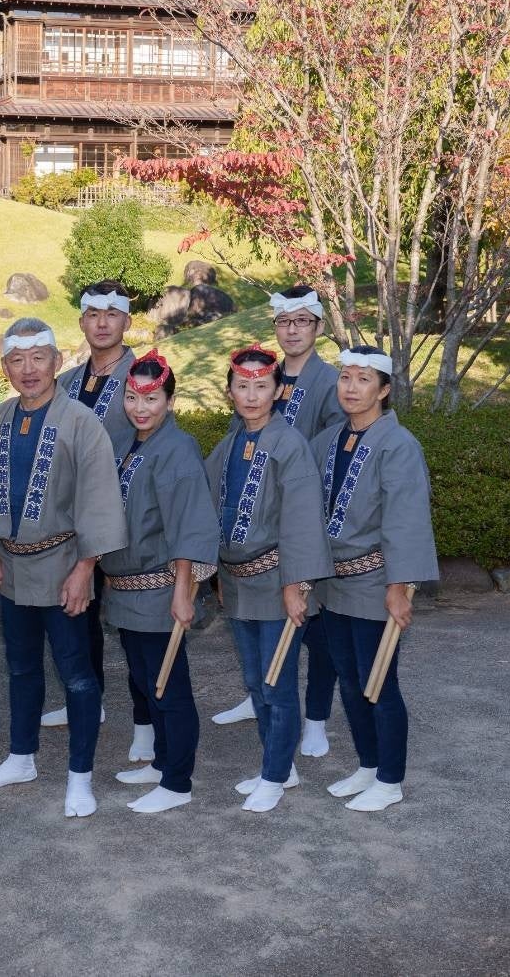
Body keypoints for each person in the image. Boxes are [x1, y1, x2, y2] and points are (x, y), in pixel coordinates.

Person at [0, 319, 127, 819]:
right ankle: (21, 758)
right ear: (5, 368)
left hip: (64, 565)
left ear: (57, 361)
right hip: (11, 567)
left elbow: (99, 498)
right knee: (20, 668)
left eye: (39, 358)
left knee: (77, 675)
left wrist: (85, 568)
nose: (29, 369)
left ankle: (80, 777)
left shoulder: (81, 421)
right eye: (17, 360)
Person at [211, 285, 347, 758]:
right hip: (258, 522)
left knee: (317, 636)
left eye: (302, 321)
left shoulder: (328, 381)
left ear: (319, 327)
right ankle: (261, 699)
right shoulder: (261, 373)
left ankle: (315, 719)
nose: (292, 330)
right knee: (270, 650)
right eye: (285, 322)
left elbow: (334, 451)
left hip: (307, 522)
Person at [205, 344, 334, 813]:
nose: (252, 395)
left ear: (279, 391)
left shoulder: (290, 444)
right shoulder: (229, 444)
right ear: (230, 392)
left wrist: (295, 586)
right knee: (256, 681)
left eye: (262, 386)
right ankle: (280, 766)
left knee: (277, 683)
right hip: (240, 584)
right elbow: (213, 512)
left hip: (280, 582)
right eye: (243, 386)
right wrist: (218, 574)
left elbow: (302, 520)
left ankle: (275, 776)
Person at [312, 346, 437, 812]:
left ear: (384, 391)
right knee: (348, 679)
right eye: (345, 377)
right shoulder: (328, 439)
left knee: (379, 680)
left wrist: (398, 588)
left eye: (363, 380)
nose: (351, 387)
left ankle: (390, 779)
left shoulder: (398, 444)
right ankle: (368, 764)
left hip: (376, 580)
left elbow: (405, 519)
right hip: (334, 583)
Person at [99, 352, 218, 814]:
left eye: (151, 399)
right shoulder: (126, 441)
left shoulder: (178, 448)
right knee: (146, 682)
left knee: (169, 685)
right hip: (125, 589)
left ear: (169, 400)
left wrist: (183, 592)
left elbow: (187, 524)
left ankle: (177, 781)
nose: (140, 407)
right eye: (132, 397)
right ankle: (162, 762)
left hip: (160, 589)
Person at [46, 281, 155, 765]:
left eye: (112, 314)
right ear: (82, 322)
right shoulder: (67, 380)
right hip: (71, 519)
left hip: (127, 516)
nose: (102, 323)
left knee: (134, 625)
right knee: (78, 613)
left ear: (127, 321)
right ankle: (88, 697)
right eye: (93, 314)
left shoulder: (144, 375)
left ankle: (146, 722)